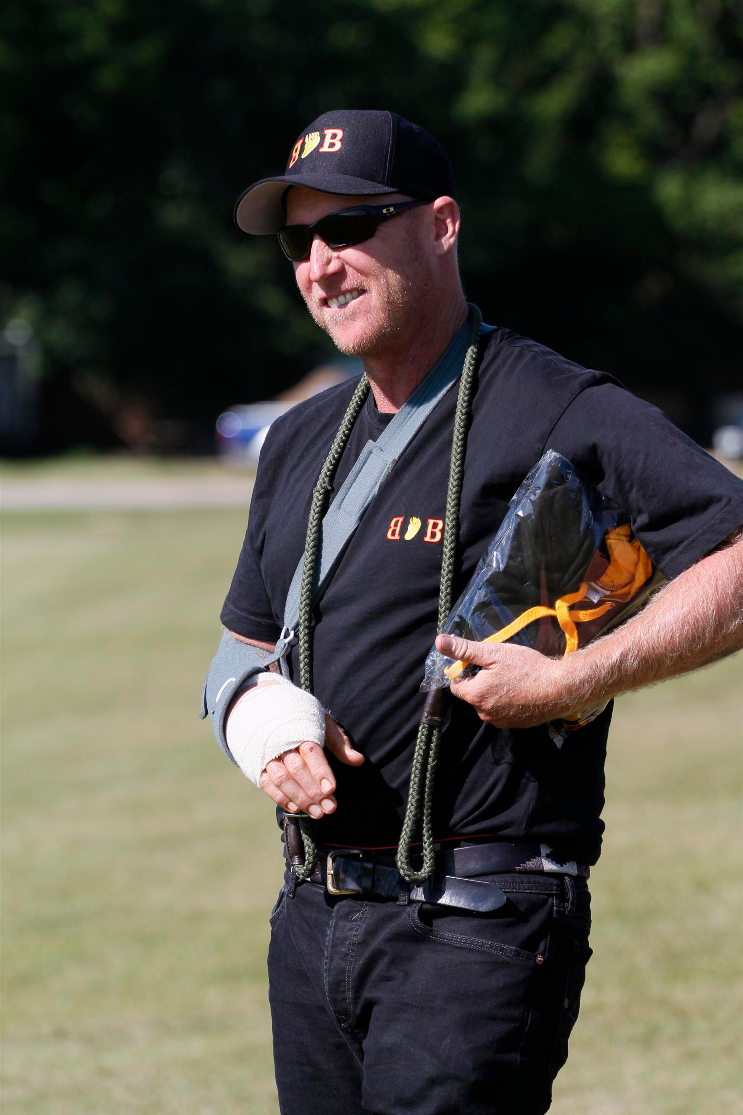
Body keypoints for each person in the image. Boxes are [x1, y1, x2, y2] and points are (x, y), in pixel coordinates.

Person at [203, 109, 743, 1115]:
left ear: (441, 224)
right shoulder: (296, 441)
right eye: (299, 240)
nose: (323, 261)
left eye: (354, 226)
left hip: (478, 923)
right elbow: (237, 651)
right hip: (313, 918)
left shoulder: (554, 403)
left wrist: (577, 679)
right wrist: (262, 727)